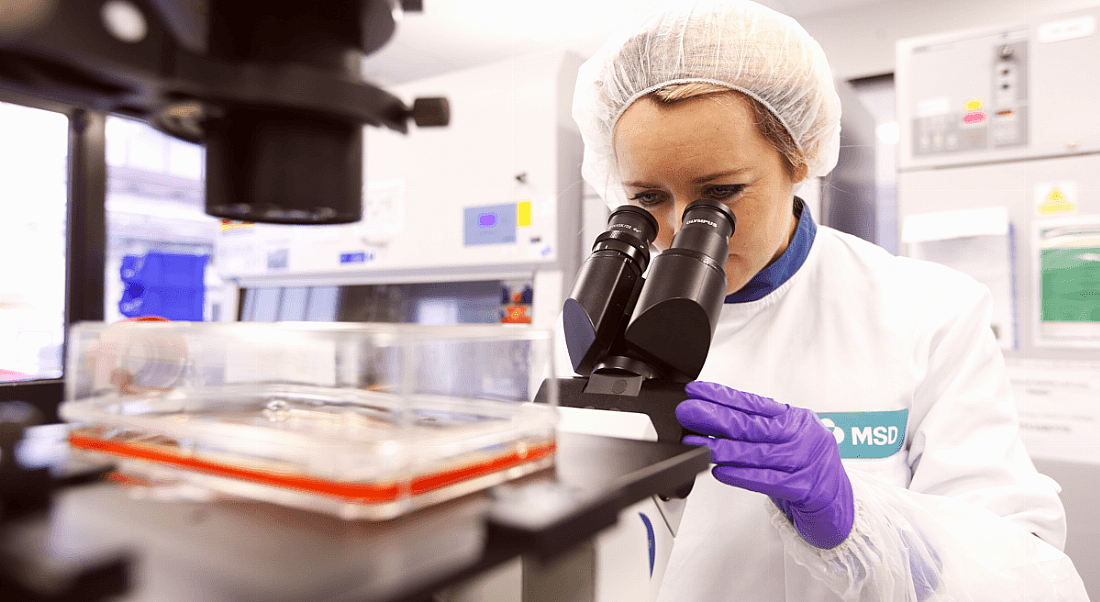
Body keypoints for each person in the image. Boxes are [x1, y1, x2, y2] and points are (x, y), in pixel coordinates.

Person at [570, 1, 1090, 600]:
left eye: (721, 193)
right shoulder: (607, 317)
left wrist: (855, 518)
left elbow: (1029, 574)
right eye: (647, 198)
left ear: (800, 157)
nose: (683, 228)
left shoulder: (929, 310)